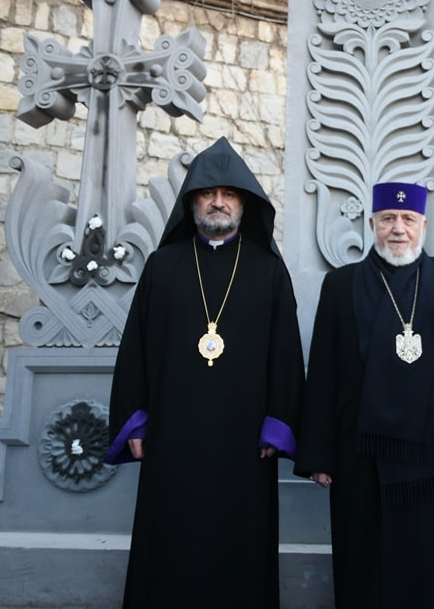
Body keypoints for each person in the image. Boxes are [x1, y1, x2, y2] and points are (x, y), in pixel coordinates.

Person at [105, 137, 305, 608]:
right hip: (173, 437)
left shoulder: (268, 270)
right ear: (192, 201)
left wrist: (278, 422)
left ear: (244, 204)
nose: (218, 201)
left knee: (240, 542)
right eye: (208, 193)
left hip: (244, 440)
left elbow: (287, 353)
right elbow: (135, 347)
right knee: (170, 538)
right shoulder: (162, 266)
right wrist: (136, 419)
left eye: (229, 194)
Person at [294, 181, 434, 609]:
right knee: (365, 565)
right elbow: (323, 371)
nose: (398, 229)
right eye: (388, 219)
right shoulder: (342, 284)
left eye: (408, 219)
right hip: (359, 454)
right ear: (372, 224)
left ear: (423, 225)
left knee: (430, 565)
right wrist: (319, 454)